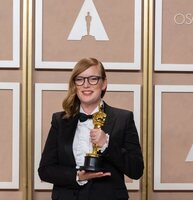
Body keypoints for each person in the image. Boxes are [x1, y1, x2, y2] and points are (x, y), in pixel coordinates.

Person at [38, 57, 144, 200]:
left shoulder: (123, 119)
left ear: (104, 84)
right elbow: (45, 170)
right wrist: (78, 176)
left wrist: (106, 145)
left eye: (93, 79)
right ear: (75, 85)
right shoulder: (60, 121)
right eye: (80, 79)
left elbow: (136, 170)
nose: (86, 85)